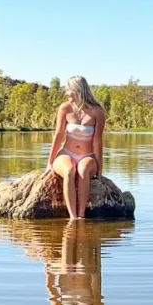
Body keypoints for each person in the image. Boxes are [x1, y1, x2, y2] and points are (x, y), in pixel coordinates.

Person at [46, 76, 106, 219]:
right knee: (69, 170)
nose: (66, 93)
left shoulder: (97, 111)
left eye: (68, 89)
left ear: (77, 90)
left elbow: (97, 141)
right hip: (66, 153)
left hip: (87, 155)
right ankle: (73, 217)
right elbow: (58, 135)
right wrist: (50, 162)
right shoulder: (65, 108)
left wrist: (99, 167)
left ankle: (81, 215)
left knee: (83, 170)